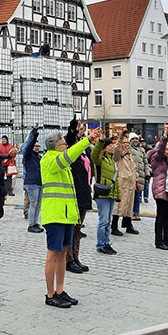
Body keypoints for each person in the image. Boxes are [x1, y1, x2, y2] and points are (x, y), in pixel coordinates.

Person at [41, 127, 100, 308]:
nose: (66, 147)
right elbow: (70, 155)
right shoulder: (50, 160)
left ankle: (60, 291)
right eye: (64, 144)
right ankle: (50, 294)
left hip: (66, 215)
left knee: (63, 254)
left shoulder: (62, 163)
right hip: (55, 215)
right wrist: (87, 140)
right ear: (56, 147)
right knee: (53, 254)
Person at [65, 119, 92, 273]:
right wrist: (73, 128)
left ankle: (76, 257)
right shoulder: (71, 154)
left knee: (77, 230)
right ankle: (68, 260)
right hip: (74, 194)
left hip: (84, 194)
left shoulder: (84, 154)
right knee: (71, 229)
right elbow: (70, 139)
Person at [91, 136, 120, 254]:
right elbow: (94, 154)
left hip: (110, 194)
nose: (112, 147)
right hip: (102, 194)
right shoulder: (100, 160)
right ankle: (100, 245)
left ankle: (107, 243)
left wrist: (117, 195)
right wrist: (100, 141)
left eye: (112, 145)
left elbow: (115, 180)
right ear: (104, 147)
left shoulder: (111, 160)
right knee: (103, 221)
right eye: (109, 145)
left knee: (108, 221)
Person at [113, 130, 139, 235]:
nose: (126, 144)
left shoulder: (129, 154)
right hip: (122, 182)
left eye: (127, 143)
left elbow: (134, 168)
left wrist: (137, 179)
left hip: (131, 183)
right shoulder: (118, 155)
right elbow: (116, 149)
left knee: (129, 205)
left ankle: (128, 224)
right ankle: (114, 226)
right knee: (118, 205)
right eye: (124, 143)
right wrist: (120, 138)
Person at [21, 125, 43, 233]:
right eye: (35, 145)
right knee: (33, 204)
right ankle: (31, 225)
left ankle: (35, 223)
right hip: (32, 183)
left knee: (38, 205)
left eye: (38, 146)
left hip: (39, 183)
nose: (37, 147)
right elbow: (28, 146)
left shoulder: (39, 157)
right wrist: (33, 137)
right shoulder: (28, 155)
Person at [128, 133, 148, 222]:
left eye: (136, 138)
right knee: (131, 196)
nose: (135, 140)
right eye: (133, 139)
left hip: (140, 175)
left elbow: (145, 163)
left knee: (137, 195)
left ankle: (136, 213)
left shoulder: (142, 150)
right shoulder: (128, 148)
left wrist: (147, 173)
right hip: (131, 175)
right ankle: (130, 213)